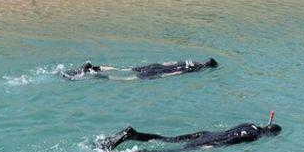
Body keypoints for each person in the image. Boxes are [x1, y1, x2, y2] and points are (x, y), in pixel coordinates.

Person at [96, 121, 281, 152]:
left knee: (167, 139)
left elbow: (232, 131)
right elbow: (232, 140)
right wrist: (211, 147)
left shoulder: (250, 124)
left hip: (206, 133)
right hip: (212, 140)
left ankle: (132, 135)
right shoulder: (254, 137)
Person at [63, 58, 218, 81]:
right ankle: (100, 76)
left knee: (125, 69)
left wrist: (157, 66)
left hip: (156, 66)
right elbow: (177, 72)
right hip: (160, 72)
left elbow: (170, 62)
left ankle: (96, 67)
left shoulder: (192, 61)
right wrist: (164, 76)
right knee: (128, 80)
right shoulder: (197, 70)